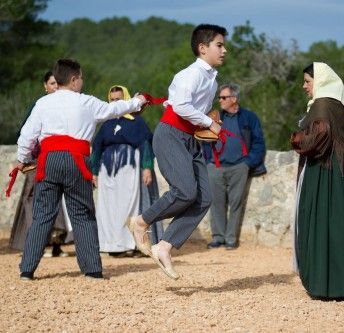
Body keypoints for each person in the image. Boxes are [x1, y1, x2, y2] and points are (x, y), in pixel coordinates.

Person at [16, 59, 147, 280]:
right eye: (81, 78)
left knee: (43, 215)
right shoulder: (86, 102)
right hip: (77, 160)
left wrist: (22, 158)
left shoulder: (43, 103)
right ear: (75, 80)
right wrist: (137, 101)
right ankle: (92, 270)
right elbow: (114, 109)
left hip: (49, 161)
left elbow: (27, 135)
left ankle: (27, 270)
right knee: (82, 214)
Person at [127, 24, 227, 280]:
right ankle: (140, 222)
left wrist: (208, 123)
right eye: (219, 45)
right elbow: (180, 107)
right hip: (170, 135)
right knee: (185, 191)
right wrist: (210, 123)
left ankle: (164, 246)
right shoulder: (190, 74)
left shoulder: (211, 81)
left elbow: (196, 113)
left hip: (190, 140)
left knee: (204, 198)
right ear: (203, 48)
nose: (224, 50)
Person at [290, 62, 344, 299]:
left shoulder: (323, 104)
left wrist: (296, 139)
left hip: (329, 171)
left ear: (320, 82)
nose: (304, 86)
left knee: (328, 223)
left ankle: (329, 284)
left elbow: (319, 136)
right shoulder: (337, 104)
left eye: (308, 81)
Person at [91, 85, 163, 257]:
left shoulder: (136, 122)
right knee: (109, 208)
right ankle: (113, 245)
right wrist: (94, 172)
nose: (116, 103)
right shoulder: (107, 122)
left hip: (129, 169)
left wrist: (147, 168)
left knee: (129, 206)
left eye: (119, 100)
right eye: (113, 100)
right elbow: (97, 147)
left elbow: (146, 143)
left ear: (127, 100)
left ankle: (132, 244)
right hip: (108, 172)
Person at [9, 71, 72, 258]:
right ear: (45, 86)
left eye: (57, 83)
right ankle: (37, 244)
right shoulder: (39, 106)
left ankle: (56, 245)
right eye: (51, 83)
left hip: (59, 160)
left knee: (59, 200)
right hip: (38, 161)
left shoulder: (67, 106)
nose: (54, 86)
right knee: (34, 200)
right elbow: (26, 133)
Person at [203, 83, 266, 250]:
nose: (220, 100)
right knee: (216, 202)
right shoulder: (214, 117)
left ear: (234, 99)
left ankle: (231, 239)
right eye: (220, 97)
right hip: (215, 166)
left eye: (223, 97)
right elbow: (204, 139)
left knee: (236, 203)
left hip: (239, 166)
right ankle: (218, 237)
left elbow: (259, 142)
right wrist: (208, 160)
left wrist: (248, 162)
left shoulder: (249, 118)